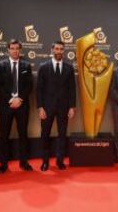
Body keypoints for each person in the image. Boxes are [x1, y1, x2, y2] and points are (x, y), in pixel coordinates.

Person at [0, 39, 33, 174]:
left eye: (17, 48)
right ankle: (3, 164)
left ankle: (24, 162)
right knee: (4, 136)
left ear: (20, 50)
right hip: (6, 105)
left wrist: (19, 99)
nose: (15, 51)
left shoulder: (26, 65)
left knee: (23, 135)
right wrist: (11, 99)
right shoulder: (1, 65)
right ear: (8, 50)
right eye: (12, 48)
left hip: (22, 105)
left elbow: (29, 85)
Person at [37, 41, 76, 171]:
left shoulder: (69, 68)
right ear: (52, 50)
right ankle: (45, 161)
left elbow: (72, 89)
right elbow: (39, 89)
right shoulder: (43, 67)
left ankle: (59, 160)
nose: (59, 51)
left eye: (61, 49)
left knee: (62, 134)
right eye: (57, 49)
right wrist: (40, 107)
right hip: (47, 108)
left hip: (64, 108)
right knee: (45, 134)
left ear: (63, 51)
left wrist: (72, 107)